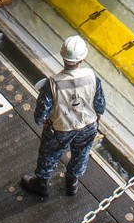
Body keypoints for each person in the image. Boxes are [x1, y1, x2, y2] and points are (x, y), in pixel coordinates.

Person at [21, 36, 106, 199]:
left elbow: (42, 110)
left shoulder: (53, 83)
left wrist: (42, 121)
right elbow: (100, 105)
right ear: (83, 58)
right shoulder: (92, 78)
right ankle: (72, 183)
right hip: (88, 126)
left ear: (63, 57)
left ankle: (41, 184)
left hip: (60, 129)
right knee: (81, 153)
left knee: (49, 154)